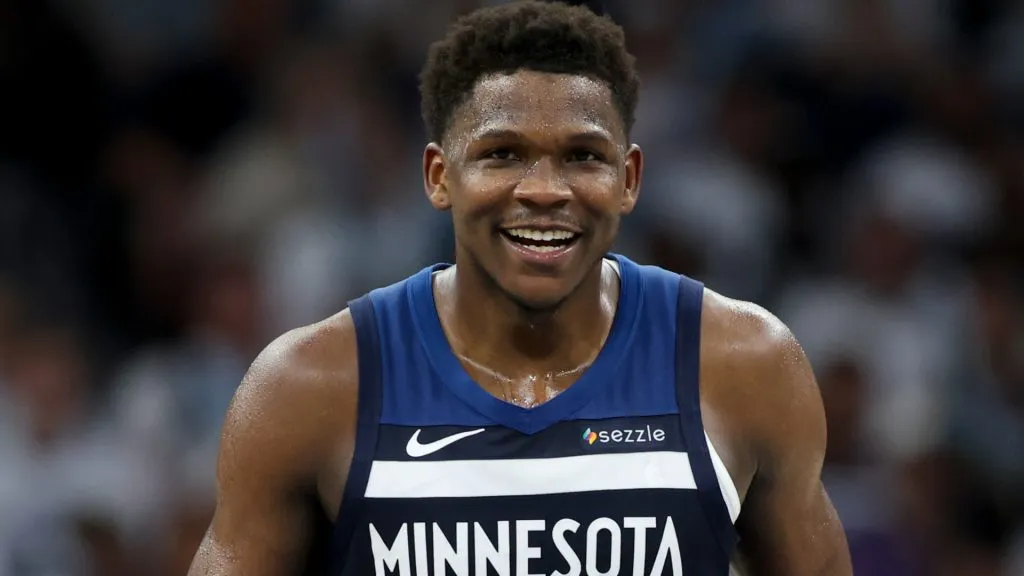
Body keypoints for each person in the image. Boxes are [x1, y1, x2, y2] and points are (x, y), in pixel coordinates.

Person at [187, 2, 853, 574]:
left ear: (629, 179)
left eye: (582, 156)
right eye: (503, 153)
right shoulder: (311, 386)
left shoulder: (744, 364)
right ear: (439, 176)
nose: (543, 189)